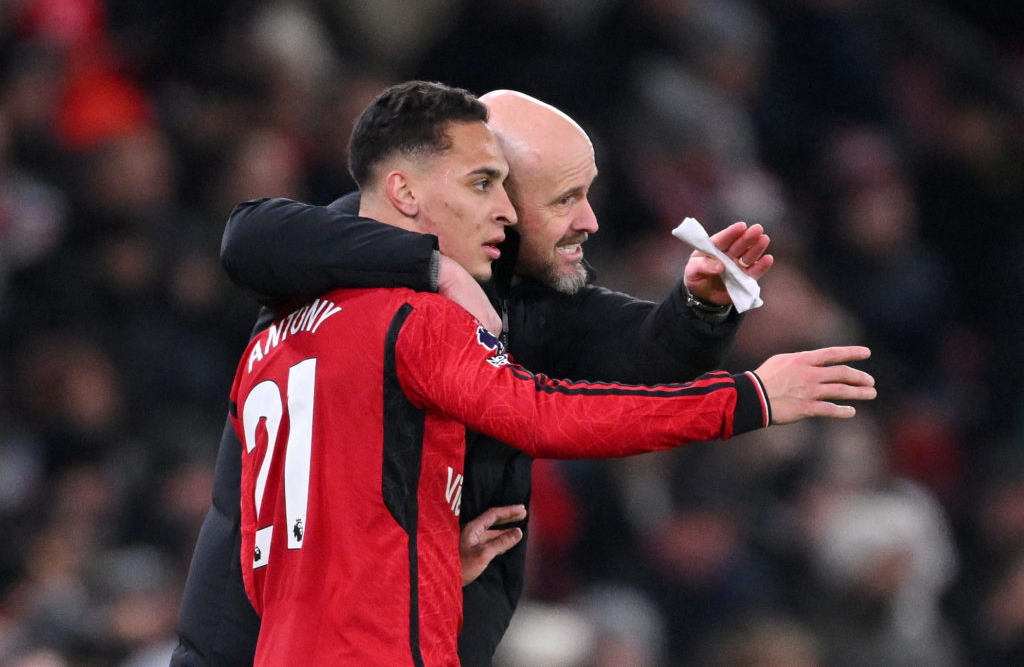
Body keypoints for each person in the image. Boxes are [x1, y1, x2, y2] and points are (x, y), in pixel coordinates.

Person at [226, 79, 873, 665]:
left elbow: (289, 546)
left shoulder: (285, 326)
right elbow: (548, 415)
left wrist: (427, 565)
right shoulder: (417, 316)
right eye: (483, 186)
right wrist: (751, 397)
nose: (504, 212)